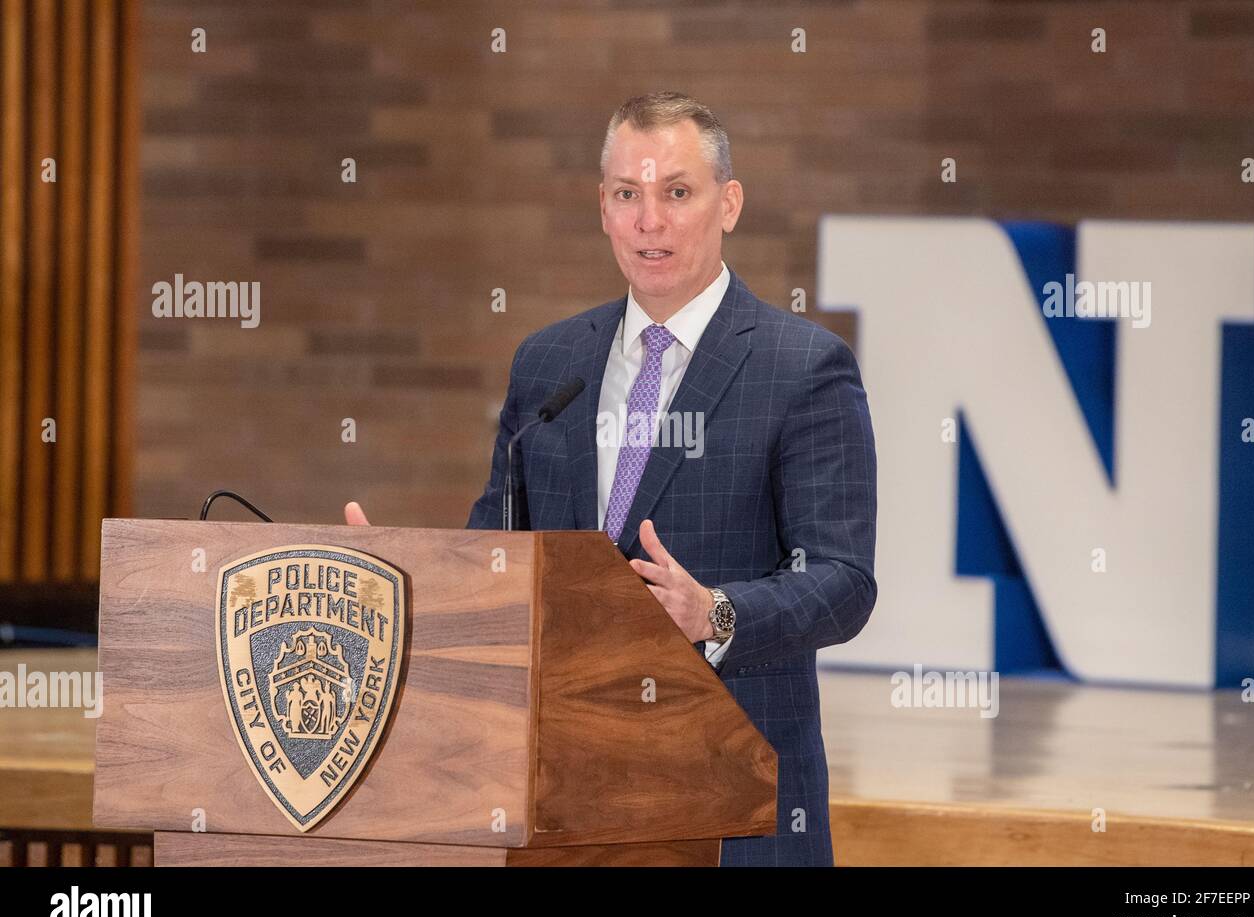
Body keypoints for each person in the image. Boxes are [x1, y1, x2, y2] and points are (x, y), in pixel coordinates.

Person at [346, 91, 877, 866]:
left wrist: (716, 613)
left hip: (731, 789)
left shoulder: (802, 369)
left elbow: (844, 581)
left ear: (728, 204)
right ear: (602, 207)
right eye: (628, 194)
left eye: (677, 193)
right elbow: (498, 550)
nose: (648, 220)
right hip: (562, 786)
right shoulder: (550, 362)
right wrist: (411, 580)